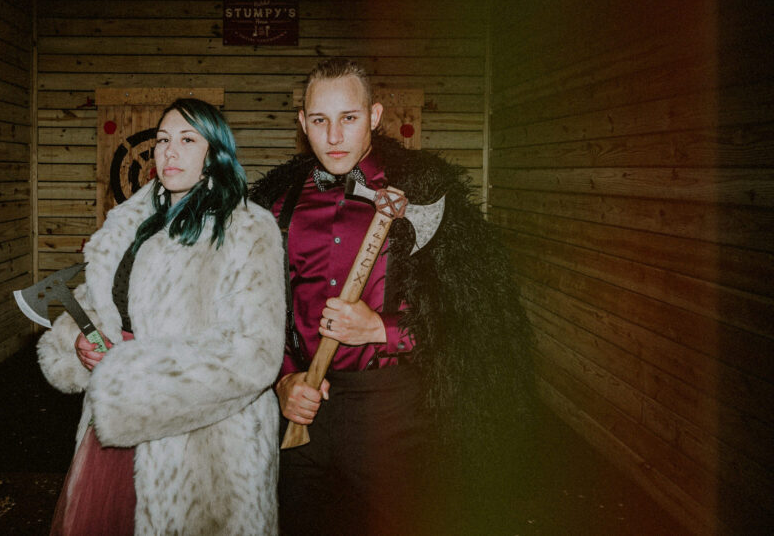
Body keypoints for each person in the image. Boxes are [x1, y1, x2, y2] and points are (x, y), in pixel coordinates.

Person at [249, 58, 534, 535]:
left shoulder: (424, 189)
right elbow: (255, 312)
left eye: (349, 118)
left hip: (394, 412)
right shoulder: (275, 202)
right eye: (320, 120)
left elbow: (479, 315)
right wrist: (282, 382)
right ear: (303, 124)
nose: (334, 136)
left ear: (375, 116)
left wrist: (379, 328)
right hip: (303, 412)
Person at [38, 98, 286, 535]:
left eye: (188, 140)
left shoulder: (247, 227)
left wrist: (131, 373)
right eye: (163, 140)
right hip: (113, 429)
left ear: (215, 153)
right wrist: (81, 339)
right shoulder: (131, 222)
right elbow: (102, 301)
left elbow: (255, 353)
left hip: (206, 447)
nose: (170, 152)